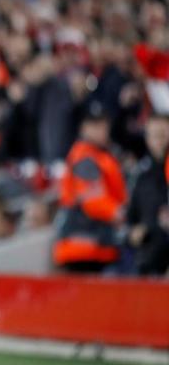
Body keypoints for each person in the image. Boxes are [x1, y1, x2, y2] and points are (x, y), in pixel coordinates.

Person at [53, 102, 127, 273]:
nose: (101, 129)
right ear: (83, 127)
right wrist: (124, 215)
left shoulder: (100, 154)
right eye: (94, 125)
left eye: (103, 124)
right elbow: (94, 202)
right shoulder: (85, 157)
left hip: (94, 246)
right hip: (84, 247)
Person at [124, 113, 169, 276]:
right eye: (154, 135)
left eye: (163, 134)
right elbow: (128, 220)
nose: (160, 141)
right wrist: (133, 233)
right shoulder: (138, 175)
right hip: (148, 260)